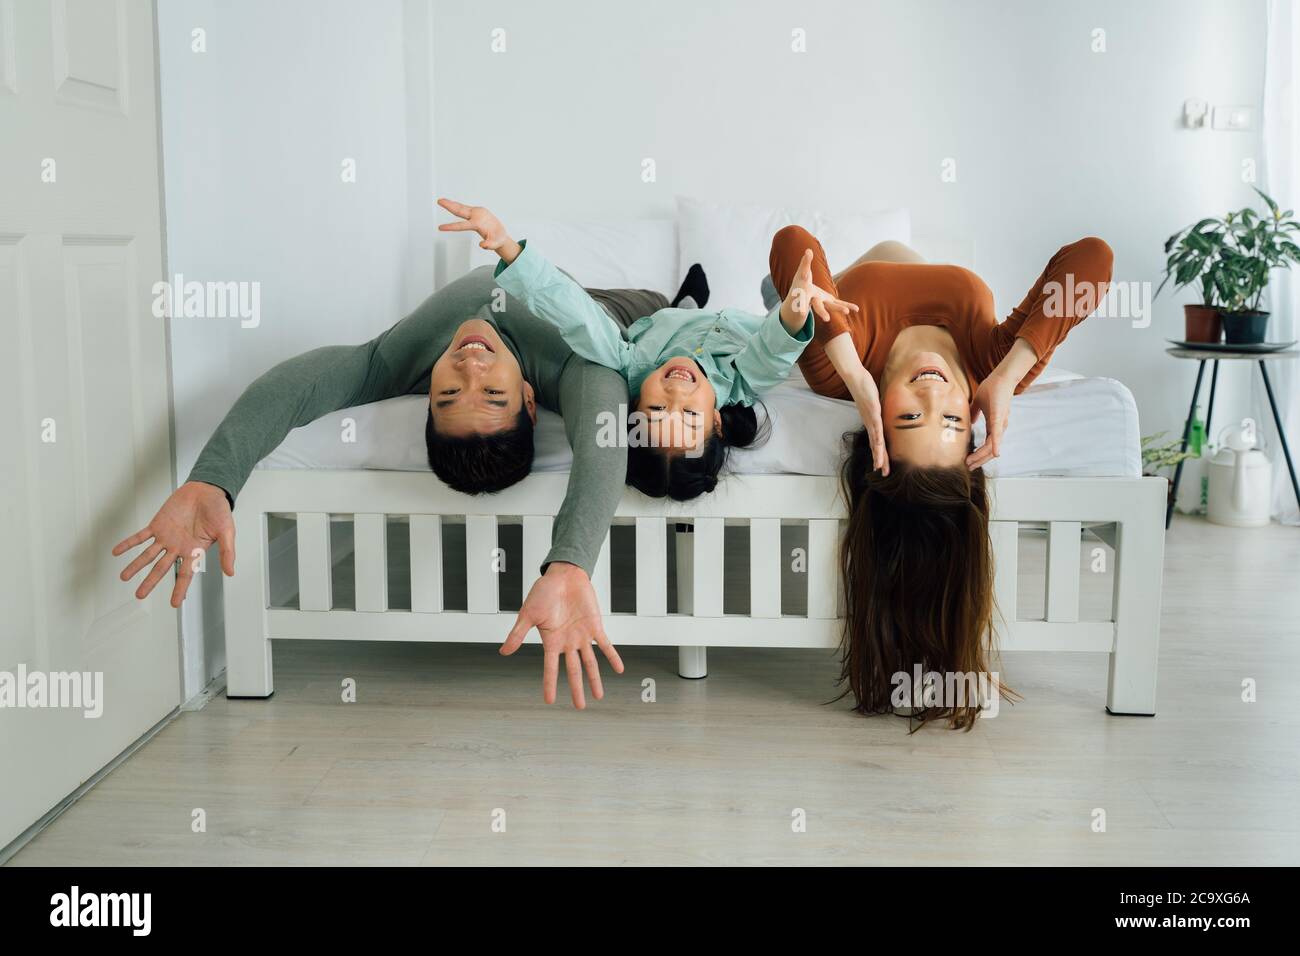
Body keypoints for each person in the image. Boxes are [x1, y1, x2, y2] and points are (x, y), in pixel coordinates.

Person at [113, 265, 693, 709]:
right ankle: (687, 298)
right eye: (493, 395)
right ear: (531, 399)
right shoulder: (582, 364)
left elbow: (302, 382)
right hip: (601, 310)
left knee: (666, 306)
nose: (469, 370)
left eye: (447, 396)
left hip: (576, 294)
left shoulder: (402, 359)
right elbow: (603, 441)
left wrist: (213, 478)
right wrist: (570, 563)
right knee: (658, 311)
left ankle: (689, 294)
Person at [765, 227, 1113, 729]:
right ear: (970, 421)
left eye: (908, 419)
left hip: (819, 285)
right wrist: (1009, 375)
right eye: (951, 420)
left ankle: (773, 310)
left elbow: (791, 242)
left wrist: (855, 374)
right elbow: (1094, 259)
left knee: (788, 302)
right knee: (793, 299)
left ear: (879, 424)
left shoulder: (842, 368)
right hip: (838, 279)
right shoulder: (989, 368)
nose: (932, 398)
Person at [438, 198, 859, 500]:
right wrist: (793, 311)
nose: (676, 395)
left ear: (635, 404)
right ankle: (771, 297)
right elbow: (772, 350)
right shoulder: (741, 381)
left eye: (657, 411)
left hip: (666, 322)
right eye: (690, 415)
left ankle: (690, 300)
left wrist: (508, 248)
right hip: (743, 322)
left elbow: (575, 313)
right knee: (787, 307)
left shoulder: (628, 361)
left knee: (678, 309)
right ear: (716, 419)